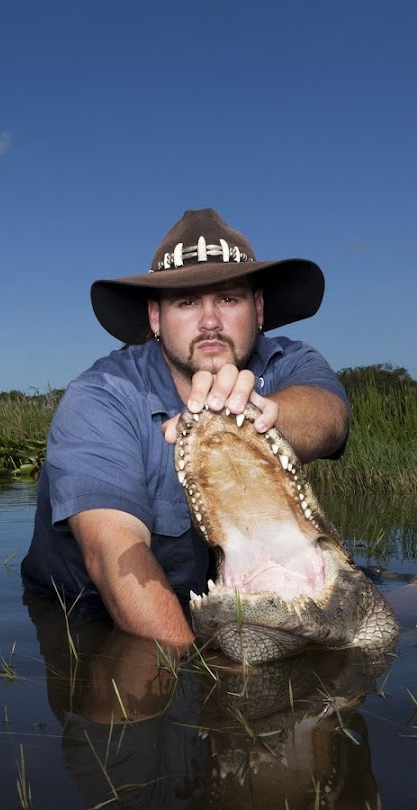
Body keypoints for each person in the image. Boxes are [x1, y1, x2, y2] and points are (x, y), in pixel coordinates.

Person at [20, 208, 349, 649]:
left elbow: (330, 417)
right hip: (91, 612)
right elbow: (112, 556)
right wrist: (207, 675)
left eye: (229, 299)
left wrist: (254, 417)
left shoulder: (290, 362)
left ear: (258, 308)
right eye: (187, 302)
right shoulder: (98, 397)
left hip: (220, 596)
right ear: (155, 318)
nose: (210, 321)